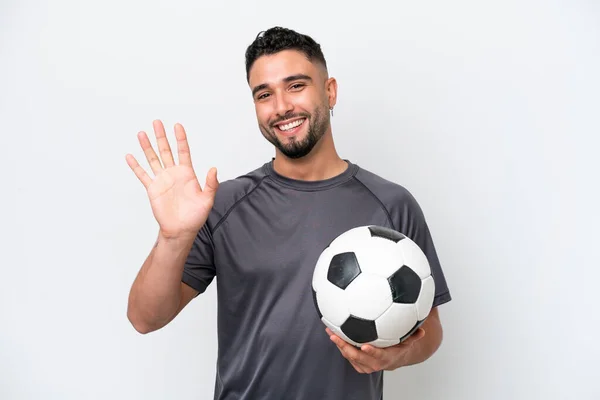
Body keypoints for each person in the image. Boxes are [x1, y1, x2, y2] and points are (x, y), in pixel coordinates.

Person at [125, 26, 452, 400]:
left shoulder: (391, 204)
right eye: (264, 94)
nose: (281, 107)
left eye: (296, 85)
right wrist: (172, 238)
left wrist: (395, 356)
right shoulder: (223, 204)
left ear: (329, 91)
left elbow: (432, 330)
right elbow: (144, 318)